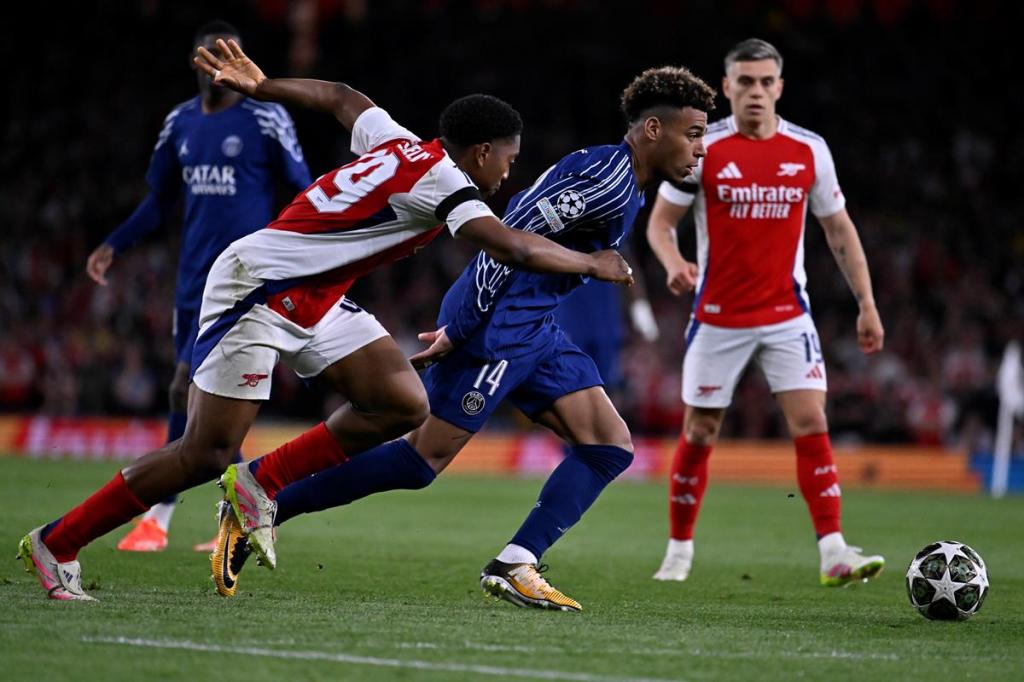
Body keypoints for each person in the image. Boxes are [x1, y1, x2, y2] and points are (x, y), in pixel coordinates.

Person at [16, 38, 632, 602]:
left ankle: (260, 483)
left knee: (400, 401)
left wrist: (265, 86)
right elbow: (513, 247)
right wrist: (593, 262)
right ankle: (57, 541)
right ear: (482, 151)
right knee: (205, 453)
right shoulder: (449, 185)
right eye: (508, 159)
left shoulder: (401, 143)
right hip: (258, 288)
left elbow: (340, 98)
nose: (509, 173)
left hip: (313, 294)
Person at [210, 66, 716, 612]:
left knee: (608, 445)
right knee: (417, 462)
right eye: (693, 134)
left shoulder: (620, 179)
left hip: (535, 329)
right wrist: (466, 324)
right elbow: (513, 235)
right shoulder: (605, 182)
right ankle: (263, 498)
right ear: (652, 131)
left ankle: (516, 561)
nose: (701, 148)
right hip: (499, 330)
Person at [645, 39, 886, 586]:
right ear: (726, 87)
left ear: (780, 86)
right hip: (717, 315)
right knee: (700, 431)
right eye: (744, 82)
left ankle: (833, 550)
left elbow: (838, 229)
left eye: (765, 82)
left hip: (785, 314)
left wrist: (867, 303)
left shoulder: (808, 150)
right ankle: (679, 551)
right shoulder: (704, 148)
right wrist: (673, 260)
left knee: (811, 421)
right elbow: (660, 223)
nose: (755, 91)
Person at [86, 21, 312, 553]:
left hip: (246, 281)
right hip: (193, 284)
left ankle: (160, 517)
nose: (215, 64)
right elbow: (159, 201)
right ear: (194, 62)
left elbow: (305, 190)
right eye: (206, 55)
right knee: (196, 403)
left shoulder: (265, 117)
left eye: (225, 54)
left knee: (190, 392)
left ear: (238, 58)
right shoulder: (179, 123)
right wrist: (114, 244)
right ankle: (242, 511)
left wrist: (296, 256)